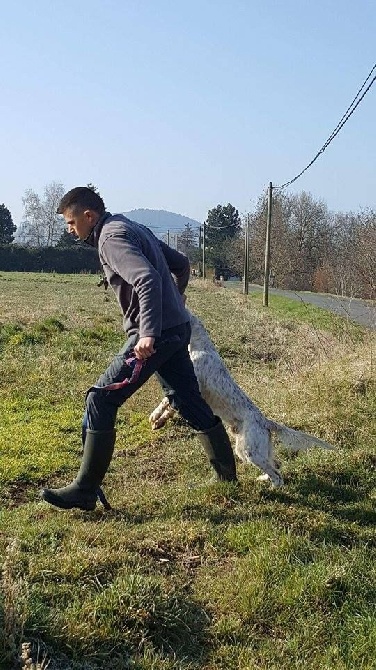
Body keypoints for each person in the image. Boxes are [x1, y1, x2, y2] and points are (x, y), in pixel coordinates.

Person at [41, 187, 237, 511]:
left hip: (156, 336)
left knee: (100, 398)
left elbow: (145, 279)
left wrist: (147, 332)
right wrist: (178, 300)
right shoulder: (131, 227)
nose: (70, 230)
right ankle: (229, 479)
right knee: (187, 401)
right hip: (176, 329)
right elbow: (182, 264)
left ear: (88, 216)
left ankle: (85, 491)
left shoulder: (109, 238)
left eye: (71, 222)